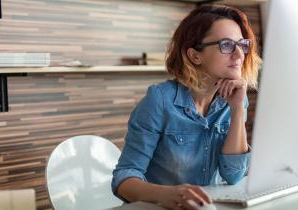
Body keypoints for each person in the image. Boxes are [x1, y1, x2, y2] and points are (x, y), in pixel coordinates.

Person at [111, 5, 262, 210]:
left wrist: (237, 111)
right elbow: (124, 178)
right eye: (226, 45)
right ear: (195, 55)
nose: (239, 55)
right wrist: (165, 195)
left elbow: (233, 175)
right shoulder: (160, 100)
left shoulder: (236, 99)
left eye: (241, 44)